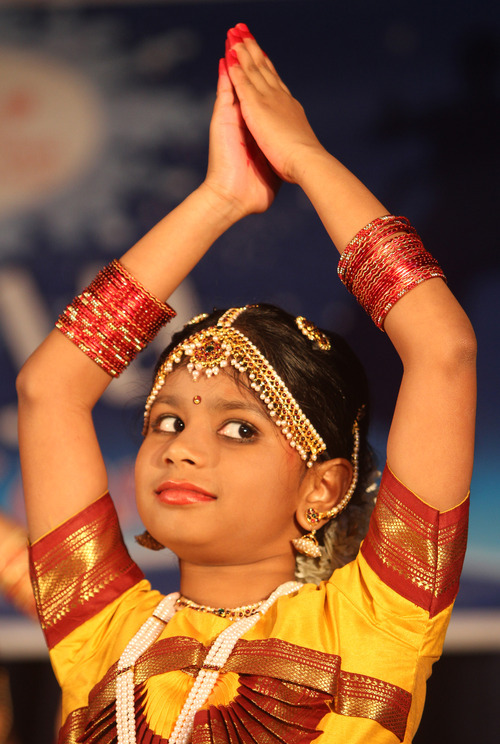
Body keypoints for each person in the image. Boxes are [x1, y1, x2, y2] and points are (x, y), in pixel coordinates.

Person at [16, 23, 476, 744]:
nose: (182, 450)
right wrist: (220, 198)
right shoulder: (105, 630)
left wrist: (305, 158)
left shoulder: (376, 620)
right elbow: (50, 390)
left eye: (239, 429)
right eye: (167, 421)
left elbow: (442, 349)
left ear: (321, 488)